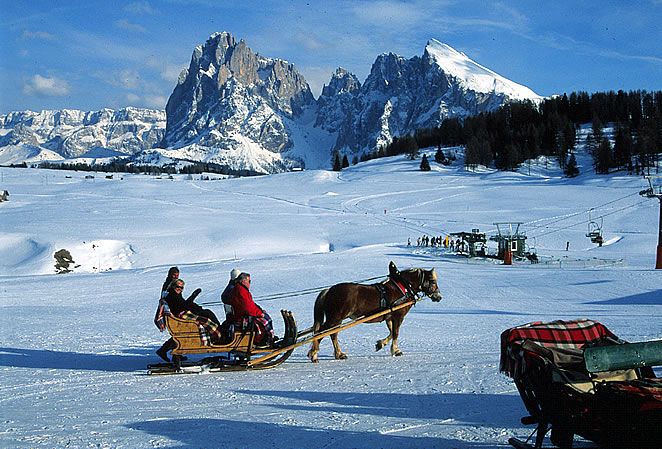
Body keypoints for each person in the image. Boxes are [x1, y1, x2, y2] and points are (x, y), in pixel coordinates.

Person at [227, 272, 275, 347]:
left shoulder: (240, 289)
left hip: (240, 315)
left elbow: (250, 304)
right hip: (242, 318)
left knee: (264, 316)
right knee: (266, 320)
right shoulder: (241, 291)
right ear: (243, 281)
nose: (250, 283)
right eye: (249, 281)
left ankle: (266, 338)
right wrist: (260, 313)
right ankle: (264, 340)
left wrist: (260, 310)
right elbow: (248, 307)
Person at [154, 267, 179, 362]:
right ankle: (167, 351)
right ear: (170, 274)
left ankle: (174, 353)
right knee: (180, 332)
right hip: (170, 312)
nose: (176, 277)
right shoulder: (170, 285)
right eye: (174, 275)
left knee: (177, 333)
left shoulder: (170, 284)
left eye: (177, 275)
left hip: (170, 311)